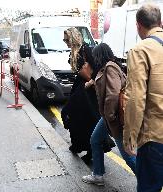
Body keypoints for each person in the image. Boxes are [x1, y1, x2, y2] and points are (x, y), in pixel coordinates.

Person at [82, 43, 136, 186]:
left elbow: (113, 93)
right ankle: (98, 175)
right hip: (108, 116)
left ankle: (147, 181)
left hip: (114, 117)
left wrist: (110, 116)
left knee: (128, 155)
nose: (94, 58)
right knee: (95, 140)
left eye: (95, 55)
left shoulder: (110, 67)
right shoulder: (107, 67)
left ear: (100, 55)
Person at [123, 4, 163, 191]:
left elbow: (135, 99)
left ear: (138, 26)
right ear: (160, 22)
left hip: (154, 137)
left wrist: (129, 136)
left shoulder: (141, 50)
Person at [61, 27, 100, 163]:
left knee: (87, 119)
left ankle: (90, 151)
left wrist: (91, 81)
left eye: (66, 39)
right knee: (72, 115)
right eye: (64, 39)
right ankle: (77, 145)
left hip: (87, 90)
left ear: (73, 38)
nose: (65, 41)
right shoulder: (74, 51)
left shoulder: (86, 49)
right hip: (79, 87)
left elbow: (96, 67)